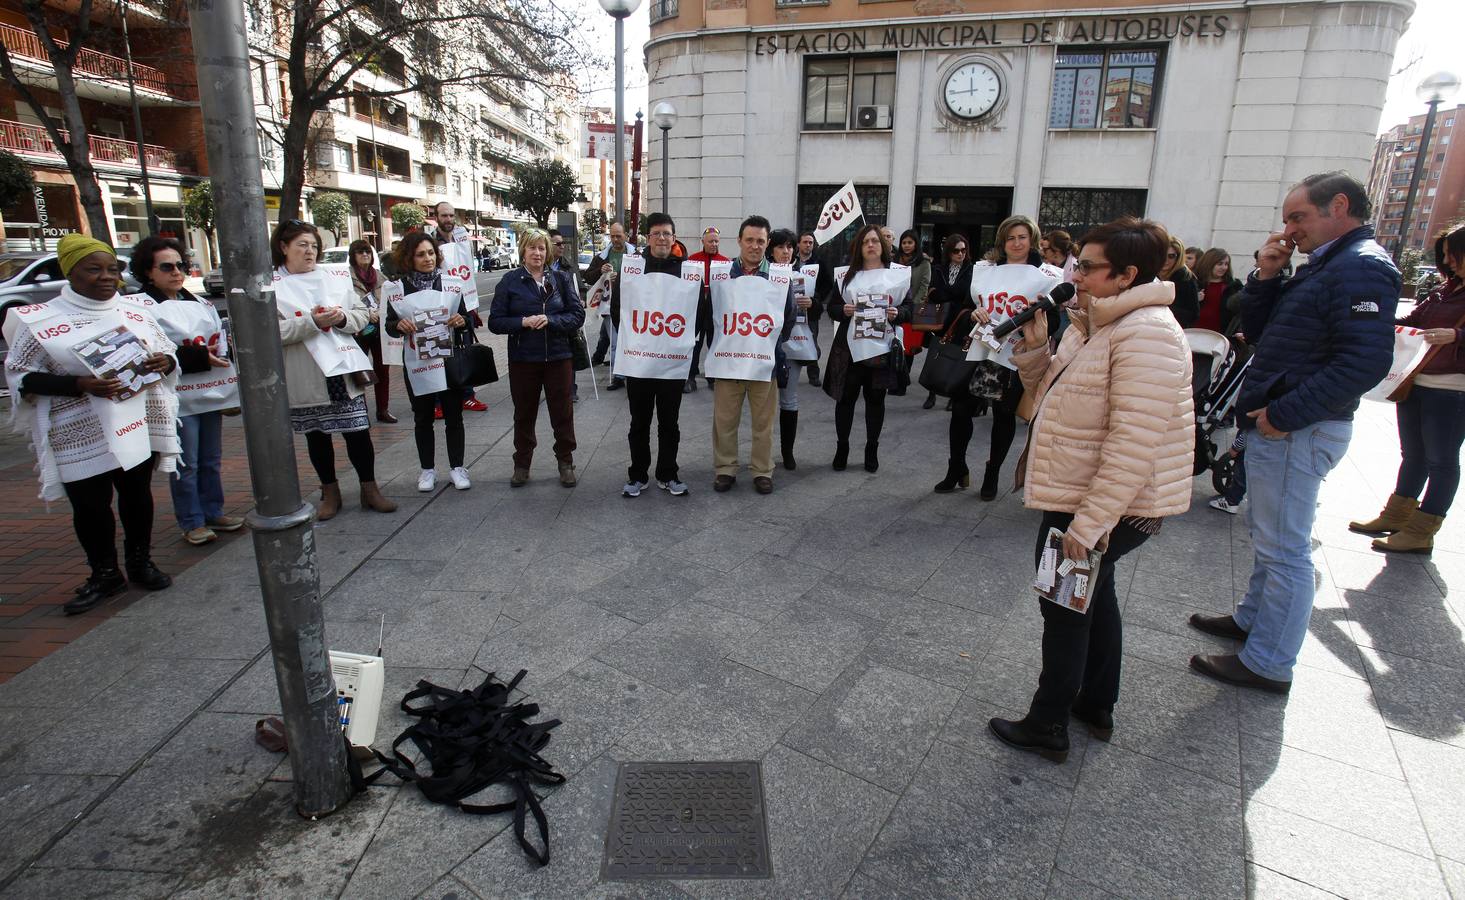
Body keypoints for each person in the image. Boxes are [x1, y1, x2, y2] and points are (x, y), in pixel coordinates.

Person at [987, 217, 1193, 762]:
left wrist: (1090, 524)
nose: (1075, 274)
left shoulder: (1146, 332)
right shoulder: (1093, 321)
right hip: (1082, 493)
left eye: (1090, 267)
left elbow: (1134, 442)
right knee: (1093, 599)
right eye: (1077, 262)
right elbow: (1048, 399)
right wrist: (1032, 353)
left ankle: (1047, 722)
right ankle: (1095, 704)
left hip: (1107, 504)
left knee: (1064, 607)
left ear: (1128, 274)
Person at [1190, 171, 1399, 694]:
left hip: (1298, 429)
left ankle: (1268, 661)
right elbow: (1264, 335)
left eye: (1298, 217)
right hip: (1287, 424)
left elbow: (1365, 361)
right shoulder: (1326, 266)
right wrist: (1266, 276)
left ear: (1339, 207)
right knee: (1271, 536)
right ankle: (1253, 622)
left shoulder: (1361, 268)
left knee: (1285, 548)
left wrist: (1284, 415)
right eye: (1287, 219)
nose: (1289, 230)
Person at [3, 233, 180, 613]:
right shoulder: (41, 321)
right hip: (79, 432)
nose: (105, 277)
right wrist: (78, 384)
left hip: (136, 423)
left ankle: (140, 562)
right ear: (70, 272)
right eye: (93, 269)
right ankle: (105, 573)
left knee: (136, 496)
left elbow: (167, 352)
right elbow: (20, 376)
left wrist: (164, 363)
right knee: (90, 506)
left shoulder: (134, 312)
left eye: (112, 270)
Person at [1350, 224, 1465, 553]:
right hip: (1416, 381)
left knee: (1442, 460)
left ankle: (1422, 530)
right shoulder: (1446, 290)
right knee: (1413, 455)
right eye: (1444, 256)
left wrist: (1456, 336)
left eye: (1453, 255)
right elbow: (1413, 318)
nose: (1448, 262)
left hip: (1453, 389)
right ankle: (1397, 516)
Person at [273, 220, 397, 520]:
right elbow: (272, 332)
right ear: (283, 247)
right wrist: (312, 323)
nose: (309, 251)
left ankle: (370, 489)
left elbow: (361, 316)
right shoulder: (272, 286)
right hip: (306, 374)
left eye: (314, 246)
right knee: (317, 437)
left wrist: (340, 318)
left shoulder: (334, 277)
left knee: (358, 433)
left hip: (343, 371)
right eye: (302, 245)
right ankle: (330, 492)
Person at [131, 235, 244, 546]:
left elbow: (218, 338)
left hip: (210, 390)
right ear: (148, 271)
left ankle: (213, 511)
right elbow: (145, 353)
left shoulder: (200, 302)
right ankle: (191, 520)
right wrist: (196, 357)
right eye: (166, 266)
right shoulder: (138, 307)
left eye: (181, 265)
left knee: (210, 458)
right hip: (174, 396)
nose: (176, 272)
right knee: (186, 461)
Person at [963, 215, 1063, 500]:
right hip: (978, 349)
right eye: (1010, 237)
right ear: (1002, 241)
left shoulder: (1048, 275)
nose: (1016, 243)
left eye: (1022, 237)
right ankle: (956, 466)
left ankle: (992, 473)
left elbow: (1055, 320)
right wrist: (974, 313)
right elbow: (962, 305)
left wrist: (1037, 320)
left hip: (1015, 355)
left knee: (1004, 415)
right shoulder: (984, 270)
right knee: (961, 409)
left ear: (1032, 239)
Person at [489, 229, 585, 487]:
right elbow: (495, 322)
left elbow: (577, 315)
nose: (538, 253)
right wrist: (522, 322)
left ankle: (566, 462)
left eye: (542, 248)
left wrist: (551, 320)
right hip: (523, 359)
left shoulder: (561, 279)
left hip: (558, 356)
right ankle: (522, 464)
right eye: (532, 248)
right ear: (523, 250)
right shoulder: (510, 281)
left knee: (562, 412)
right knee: (524, 413)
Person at [712, 215, 796, 494]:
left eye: (761, 241)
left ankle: (762, 470)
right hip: (729, 363)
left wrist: (766, 345)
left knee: (764, 422)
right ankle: (725, 468)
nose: (755, 246)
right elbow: (710, 314)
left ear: (767, 243)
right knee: (725, 420)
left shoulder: (778, 276)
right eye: (749, 240)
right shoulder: (722, 274)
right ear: (739, 241)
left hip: (764, 364)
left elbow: (788, 316)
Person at [386, 232, 473, 492]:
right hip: (416, 362)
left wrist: (460, 321)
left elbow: (467, 318)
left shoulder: (451, 284)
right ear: (409, 258)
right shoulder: (397, 290)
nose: (428, 259)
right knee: (422, 417)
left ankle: (457, 467)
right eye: (421, 254)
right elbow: (389, 326)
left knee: (453, 415)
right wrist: (398, 325)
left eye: (431, 253)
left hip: (447, 360)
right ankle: (427, 470)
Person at [614, 212, 690, 497]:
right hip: (640, 361)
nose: (662, 238)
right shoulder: (633, 267)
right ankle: (637, 475)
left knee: (670, 423)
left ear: (674, 237)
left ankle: (668, 473)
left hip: (672, 362)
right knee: (639, 422)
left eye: (667, 233)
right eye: (656, 233)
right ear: (648, 237)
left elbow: (697, 310)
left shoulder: (686, 269)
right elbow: (619, 309)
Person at [825, 223, 910, 474]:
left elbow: (910, 307)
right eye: (865, 242)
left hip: (881, 349)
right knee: (845, 401)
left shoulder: (898, 274)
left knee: (876, 401)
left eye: (874, 241)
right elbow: (832, 307)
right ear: (858, 247)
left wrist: (898, 313)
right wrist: (843, 310)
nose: (870, 245)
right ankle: (842, 448)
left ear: (882, 245)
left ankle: (871, 448)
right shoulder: (846, 276)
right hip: (849, 348)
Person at [429, 202, 487, 412]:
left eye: (452, 215)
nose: (449, 220)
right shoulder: (430, 241)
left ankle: (467, 395)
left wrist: (473, 304)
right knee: (439, 351)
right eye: (444, 215)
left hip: (464, 304)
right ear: (436, 217)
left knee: (465, 348)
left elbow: (469, 272)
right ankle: (437, 400)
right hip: (439, 304)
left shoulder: (462, 239)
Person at [767, 228, 813, 470]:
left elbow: (817, 311)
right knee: (762, 403)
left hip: (793, 345)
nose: (786, 252)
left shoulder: (803, 276)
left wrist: (811, 304)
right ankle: (761, 454)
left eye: (789, 247)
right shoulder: (762, 276)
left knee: (789, 399)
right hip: (764, 346)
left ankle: (787, 452)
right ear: (771, 250)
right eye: (780, 247)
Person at [923, 233, 975, 415]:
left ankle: (953, 395)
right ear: (949, 252)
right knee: (936, 352)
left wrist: (945, 293)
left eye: (963, 250)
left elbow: (966, 293)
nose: (960, 254)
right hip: (940, 318)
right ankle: (932, 392)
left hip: (961, 319)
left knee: (957, 356)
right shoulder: (939, 269)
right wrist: (948, 294)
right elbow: (934, 293)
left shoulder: (971, 270)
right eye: (956, 251)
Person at [348, 240, 396, 424]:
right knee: (359, 370)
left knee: (382, 369)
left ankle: (383, 409)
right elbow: (346, 301)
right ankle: (361, 411)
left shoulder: (379, 276)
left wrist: (381, 312)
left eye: (367, 252)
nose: (365, 255)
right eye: (360, 252)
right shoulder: (347, 278)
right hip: (359, 330)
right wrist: (367, 313)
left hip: (379, 328)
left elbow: (389, 298)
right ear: (353, 256)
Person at [687, 226, 730, 392]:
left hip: (716, 310)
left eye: (716, 241)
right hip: (696, 310)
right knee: (694, 345)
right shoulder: (692, 260)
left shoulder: (725, 262)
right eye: (711, 241)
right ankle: (690, 377)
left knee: (714, 344)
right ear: (702, 241)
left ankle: (713, 378)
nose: (714, 244)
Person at [587, 222, 629, 389]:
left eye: (618, 236)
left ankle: (622, 369)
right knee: (615, 341)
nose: (615, 239)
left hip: (630, 305)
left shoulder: (635, 254)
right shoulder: (601, 257)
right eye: (612, 236)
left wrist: (621, 277)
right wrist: (600, 271)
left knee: (616, 339)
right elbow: (588, 277)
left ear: (625, 235)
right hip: (609, 305)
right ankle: (618, 376)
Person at [894, 229, 931, 397]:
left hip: (912, 310)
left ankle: (902, 383)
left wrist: (912, 305)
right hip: (894, 307)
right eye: (904, 242)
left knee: (907, 349)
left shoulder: (923, 263)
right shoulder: (894, 261)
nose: (907, 246)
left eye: (910, 242)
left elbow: (924, 286)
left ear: (915, 243)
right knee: (893, 345)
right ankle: (893, 380)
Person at [549, 229, 582, 403]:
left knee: (570, 353)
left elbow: (580, 288)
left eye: (563, 243)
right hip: (549, 318)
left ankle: (571, 389)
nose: (562, 247)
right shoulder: (542, 266)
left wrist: (581, 301)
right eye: (558, 244)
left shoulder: (569, 266)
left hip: (567, 318)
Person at [795, 230, 827, 386]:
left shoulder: (819, 262)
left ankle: (813, 375)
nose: (808, 245)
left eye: (811, 243)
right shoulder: (792, 261)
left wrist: (817, 297)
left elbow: (827, 284)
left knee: (811, 340)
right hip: (794, 308)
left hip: (811, 308)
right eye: (805, 242)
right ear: (798, 244)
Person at [1194, 248, 1243, 334]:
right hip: (1193, 332)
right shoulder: (1195, 283)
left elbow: (1241, 312)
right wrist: (1194, 299)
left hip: (1221, 335)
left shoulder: (1234, 285)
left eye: (1226, 264)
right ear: (1209, 263)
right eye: (1220, 264)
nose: (1224, 267)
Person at [1160, 234, 1200, 327]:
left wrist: (1164, 309)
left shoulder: (1186, 279)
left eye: (1171, 256)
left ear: (1178, 258)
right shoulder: (1150, 274)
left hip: (1174, 328)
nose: (1166, 260)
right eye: (1162, 255)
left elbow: (1193, 314)